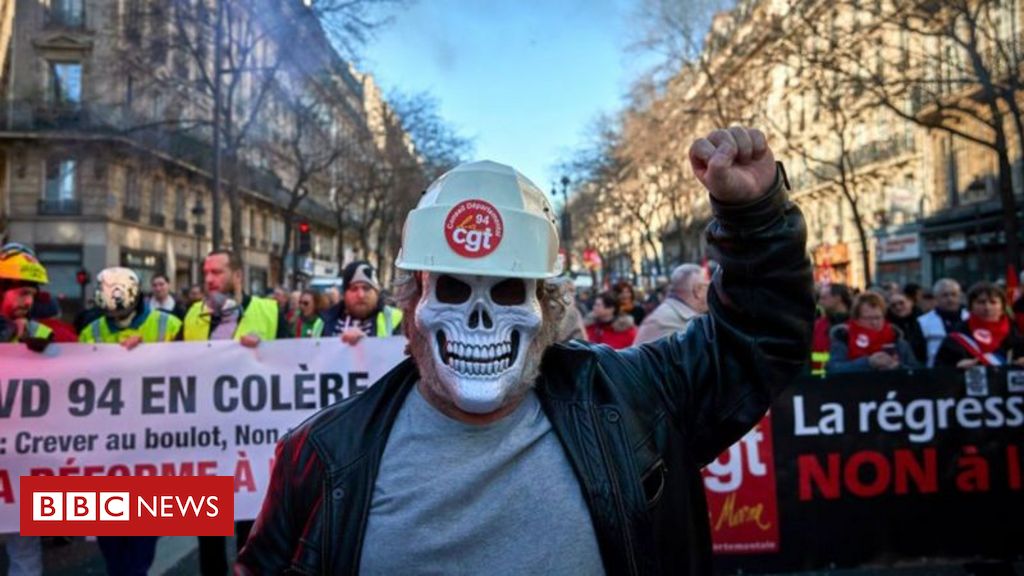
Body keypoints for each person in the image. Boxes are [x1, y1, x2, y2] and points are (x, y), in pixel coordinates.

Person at [238, 127, 814, 575]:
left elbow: (758, 340)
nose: (480, 317)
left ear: (548, 308)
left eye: (509, 290)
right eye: (453, 289)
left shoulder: (635, 403)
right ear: (412, 303)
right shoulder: (319, 457)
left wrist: (754, 217)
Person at [183, 250, 287, 576]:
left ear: (237, 275)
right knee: (209, 541)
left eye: (217, 272)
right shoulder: (191, 315)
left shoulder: (268, 311)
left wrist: (266, 354)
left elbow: (298, 367)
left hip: (253, 445)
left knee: (251, 535)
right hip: (207, 443)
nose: (209, 279)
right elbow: (170, 367)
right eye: (206, 272)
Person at [77, 267, 180, 575]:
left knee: (140, 549)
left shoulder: (169, 325)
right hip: (106, 455)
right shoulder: (89, 332)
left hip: (151, 453)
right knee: (111, 546)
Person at [0, 243, 49, 575]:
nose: (28, 302)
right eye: (21, 292)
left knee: (25, 556)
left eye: (32, 294)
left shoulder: (40, 333)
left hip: (21, 471)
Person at [80, 267, 182, 347]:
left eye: (120, 310)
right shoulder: (90, 333)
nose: (116, 316)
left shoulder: (171, 325)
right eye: (111, 311)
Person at [934, 282, 1024, 369]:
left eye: (993, 302)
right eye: (981, 302)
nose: (987, 307)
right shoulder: (959, 333)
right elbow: (940, 368)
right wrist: (957, 366)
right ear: (970, 306)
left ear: (1002, 307)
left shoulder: (1017, 331)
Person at [827, 292, 920, 373]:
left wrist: (896, 366)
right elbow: (833, 369)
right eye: (868, 318)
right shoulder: (844, 338)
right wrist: (868, 363)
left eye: (878, 317)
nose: (874, 323)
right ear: (856, 319)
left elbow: (916, 371)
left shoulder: (896, 340)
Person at [319, 260, 403, 344]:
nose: (360, 295)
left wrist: (367, 345)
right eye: (354, 288)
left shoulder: (394, 319)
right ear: (344, 294)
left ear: (376, 292)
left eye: (366, 288)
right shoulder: (322, 322)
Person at [634, 263, 708, 345]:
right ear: (698, 290)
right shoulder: (666, 324)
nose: (709, 292)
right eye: (707, 286)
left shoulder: (670, 318)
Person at [917, 278, 969, 367]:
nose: (950, 299)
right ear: (936, 298)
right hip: (936, 372)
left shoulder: (970, 318)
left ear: (960, 296)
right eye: (945, 295)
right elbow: (919, 354)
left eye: (954, 294)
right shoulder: (923, 322)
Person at [810, 282, 852, 377]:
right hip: (819, 379)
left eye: (824, 298)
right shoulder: (818, 325)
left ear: (838, 298)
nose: (820, 302)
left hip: (851, 379)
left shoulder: (857, 323)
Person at [886, 291, 925, 364]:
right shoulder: (888, 326)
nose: (898, 307)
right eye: (893, 305)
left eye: (901, 303)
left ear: (910, 302)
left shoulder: (924, 321)